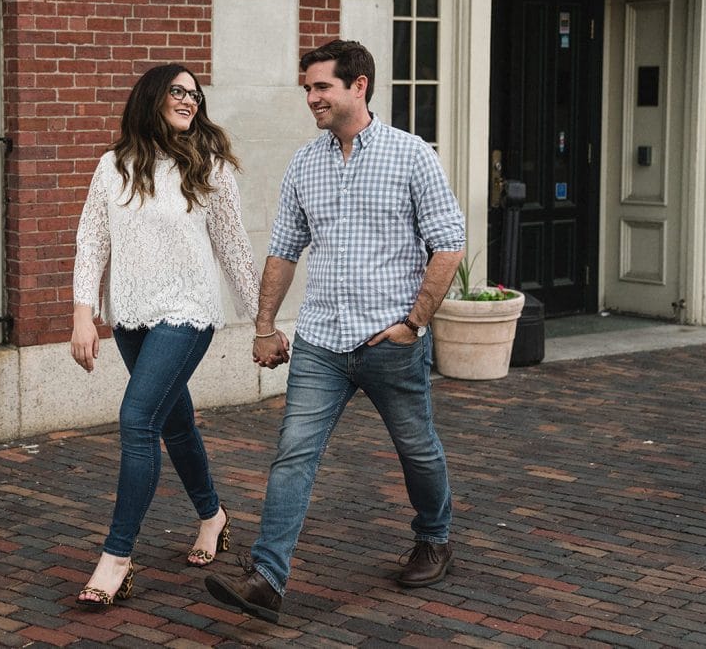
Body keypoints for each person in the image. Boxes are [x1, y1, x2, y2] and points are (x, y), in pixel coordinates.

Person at [204, 39, 466, 623]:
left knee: (417, 450)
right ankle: (267, 579)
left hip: (388, 342)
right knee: (293, 454)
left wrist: (414, 322)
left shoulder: (411, 155)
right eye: (307, 88)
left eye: (321, 87)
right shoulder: (305, 161)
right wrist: (264, 325)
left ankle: (435, 537)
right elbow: (283, 249)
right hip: (322, 341)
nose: (311, 98)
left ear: (359, 86)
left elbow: (448, 241)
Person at [70, 63, 267, 609]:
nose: (190, 100)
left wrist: (263, 322)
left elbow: (233, 248)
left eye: (195, 94)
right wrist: (83, 313)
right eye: (178, 91)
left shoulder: (208, 165)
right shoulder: (113, 166)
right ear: (152, 97)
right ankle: (213, 516)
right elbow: (92, 241)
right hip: (130, 316)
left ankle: (116, 558)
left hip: (188, 312)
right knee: (174, 422)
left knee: (137, 420)